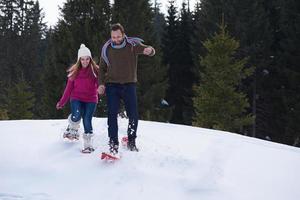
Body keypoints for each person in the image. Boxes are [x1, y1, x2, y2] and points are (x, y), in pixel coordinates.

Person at [98, 23, 155, 155]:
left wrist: (149, 50)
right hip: (112, 86)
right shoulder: (106, 49)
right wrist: (101, 84)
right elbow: (101, 68)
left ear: (123, 35)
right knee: (112, 115)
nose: (116, 39)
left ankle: (131, 141)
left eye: (118, 36)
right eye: (113, 37)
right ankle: (113, 144)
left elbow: (148, 49)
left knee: (133, 114)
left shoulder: (132, 45)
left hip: (129, 85)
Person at [56, 44, 99, 153]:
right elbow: (68, 89)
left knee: (87, 119)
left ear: (90, 59)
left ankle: (88, 145)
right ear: (79, 60)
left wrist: (101, 89)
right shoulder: (74, 72)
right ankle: (72, 127)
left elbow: (100, 85)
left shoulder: (95, 71)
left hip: (91, 99)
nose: (85, 61)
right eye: (83, 59)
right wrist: (62, 102)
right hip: (76, 98)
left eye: (87, 59)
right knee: (76, 114)